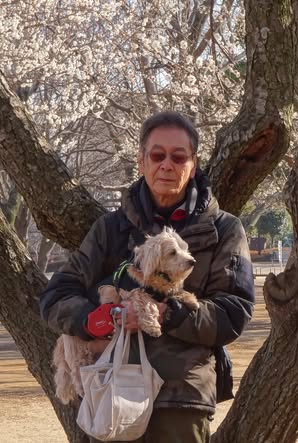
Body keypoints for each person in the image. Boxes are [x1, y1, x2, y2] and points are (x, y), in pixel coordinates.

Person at [40, 111, 255, 442]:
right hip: (110, 392)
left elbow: (234, 312)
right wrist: (98, 319)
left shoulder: (224, 229)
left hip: (181, 400)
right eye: (157, 155)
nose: (167, 165)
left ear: (193, 164)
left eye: (178, 157)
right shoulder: (110, 229)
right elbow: (56, 296)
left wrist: (165, 314)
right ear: (141, 161)